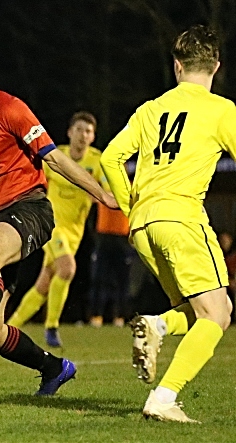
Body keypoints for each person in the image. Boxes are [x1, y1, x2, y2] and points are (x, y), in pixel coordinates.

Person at [0, 45, 117, 395]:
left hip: (30, 207)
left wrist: (101, 194)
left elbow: (55, 159)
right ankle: (54, 368)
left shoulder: (7, 108)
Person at [101, 25, 234, 423]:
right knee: (219, 314)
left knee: (195, 311)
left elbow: (110, 157)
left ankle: (157, 325)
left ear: (177, 66)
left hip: (143, 227)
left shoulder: (150, 109)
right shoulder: (221, 110)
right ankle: (163, 397)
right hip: (182, 218)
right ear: (216, 67)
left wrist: (130, 208)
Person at [7, 112, 107, 347]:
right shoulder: (55, 154)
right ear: (69, 132)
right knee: (67, 268)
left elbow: (107, 188)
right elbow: (34, 181)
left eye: (88, 131)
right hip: (50, 225)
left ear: (93, 137)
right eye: (80, 129)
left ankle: (8, 329)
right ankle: (51, 326)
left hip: (75, 232)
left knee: (45, 283)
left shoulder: (97, 161)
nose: (84, 135)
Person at [87, 202, 133, 328]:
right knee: (99, 279)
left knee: (122, 280)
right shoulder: (102, 183)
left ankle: (120, 316)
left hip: (122, 238)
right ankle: (96, 315)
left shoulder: (130, 187)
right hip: (104, 237)